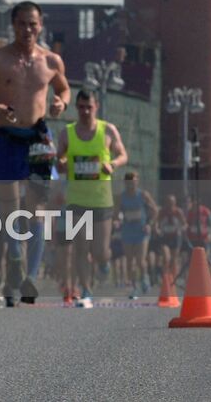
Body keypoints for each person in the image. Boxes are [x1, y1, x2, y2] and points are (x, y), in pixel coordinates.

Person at [0, 1, 69, 306]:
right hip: (5, 136)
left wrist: (61, 102)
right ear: (13, 25)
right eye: (22, 24)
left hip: (37, 136)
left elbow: (63, 89)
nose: (27, 30)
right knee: (10, 208)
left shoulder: (50, 61)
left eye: (33, 24)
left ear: (41, 25)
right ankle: (14, 257)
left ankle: (30, 277)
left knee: (36, 209)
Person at [54, 89, 127, 307]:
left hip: (101, 199)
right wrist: (62, 164)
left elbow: (123, 155)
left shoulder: (107, 130)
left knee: (100, 251)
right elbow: (59, 161)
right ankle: (86, 289)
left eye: (89, 106)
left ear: (96, 107)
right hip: (76, 199)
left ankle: (105, 263)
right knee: (80, 248)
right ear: (76, 108)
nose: (85, 111)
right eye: (81, 107)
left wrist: (112, 164)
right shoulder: (67, 133)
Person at [118, 172, 159, 297]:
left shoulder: (143, 195)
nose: (131, 184)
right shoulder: (121, 197)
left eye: (133, 181)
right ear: (125, 183)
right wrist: (116, 220)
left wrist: (149, 224)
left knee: (141, 261)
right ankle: (133, 286)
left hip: (141, 231)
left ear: (137, 182)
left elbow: (155, 210)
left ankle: (144, 278)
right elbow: (116, 213)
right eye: (128, 181)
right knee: (130, 261)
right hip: (127, 231)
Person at [152, 194, 186, 276]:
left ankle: (173, 277)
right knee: (166, 257)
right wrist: (156, 229)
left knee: (174, 259)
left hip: (175, 237)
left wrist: (181, 229)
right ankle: (165, 276)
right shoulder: (162, 212)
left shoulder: (178, 212)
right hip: (165, 237)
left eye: (172, 202)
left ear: (175, 202)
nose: (170, 204)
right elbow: (156, 222)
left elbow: (185, 224)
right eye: (168, 202)